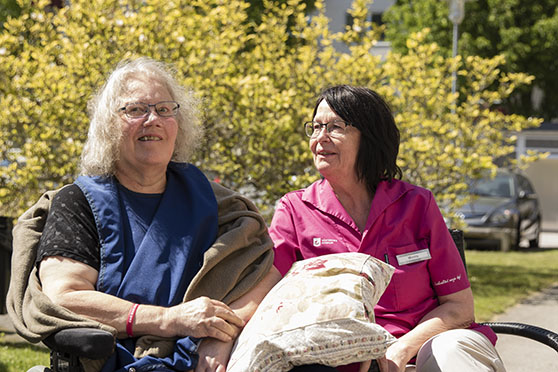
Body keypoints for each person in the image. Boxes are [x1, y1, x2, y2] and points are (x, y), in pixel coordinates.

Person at [8, 57, 277, 372]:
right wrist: (169, 320)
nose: (153, 119)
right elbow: (65, 296)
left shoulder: (215, 202)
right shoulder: (79, 202)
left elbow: (264, 273)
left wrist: (222, 333)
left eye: (165, 109)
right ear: (109, 125)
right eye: (136, 110)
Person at [268, 85, 506, 372]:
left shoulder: (417, 204)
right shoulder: (295, 210)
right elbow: (265, 292)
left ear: (369, 136)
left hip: (424, 352)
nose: (320, 138)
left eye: (334, 127)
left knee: (451, 348)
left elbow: (459, 308)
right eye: (316, 127)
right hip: (336, 358)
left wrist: (401, 348)